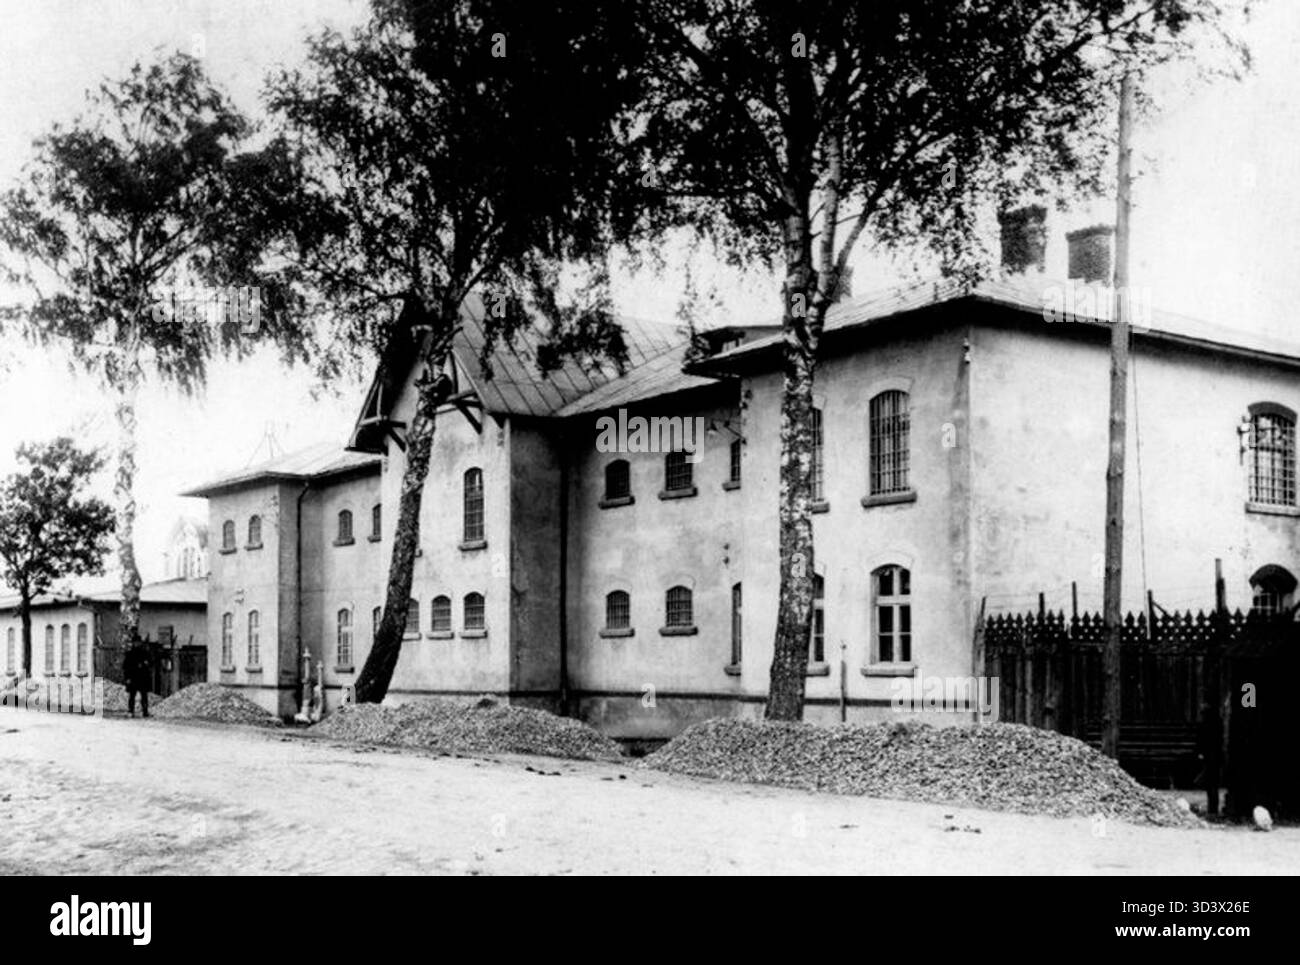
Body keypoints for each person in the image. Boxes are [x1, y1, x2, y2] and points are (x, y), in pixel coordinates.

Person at [122, 641, 152, 718]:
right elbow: (126, 667)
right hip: (134, 677)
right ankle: (131, 711)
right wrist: (127, 678)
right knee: (133, 696)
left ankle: (144, 711)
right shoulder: (130, 654)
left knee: (143, 696)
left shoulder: (144, 653)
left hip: (141, 677)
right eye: (136, 643)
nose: (137, 644)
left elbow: (149, 664)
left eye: (138, 643)